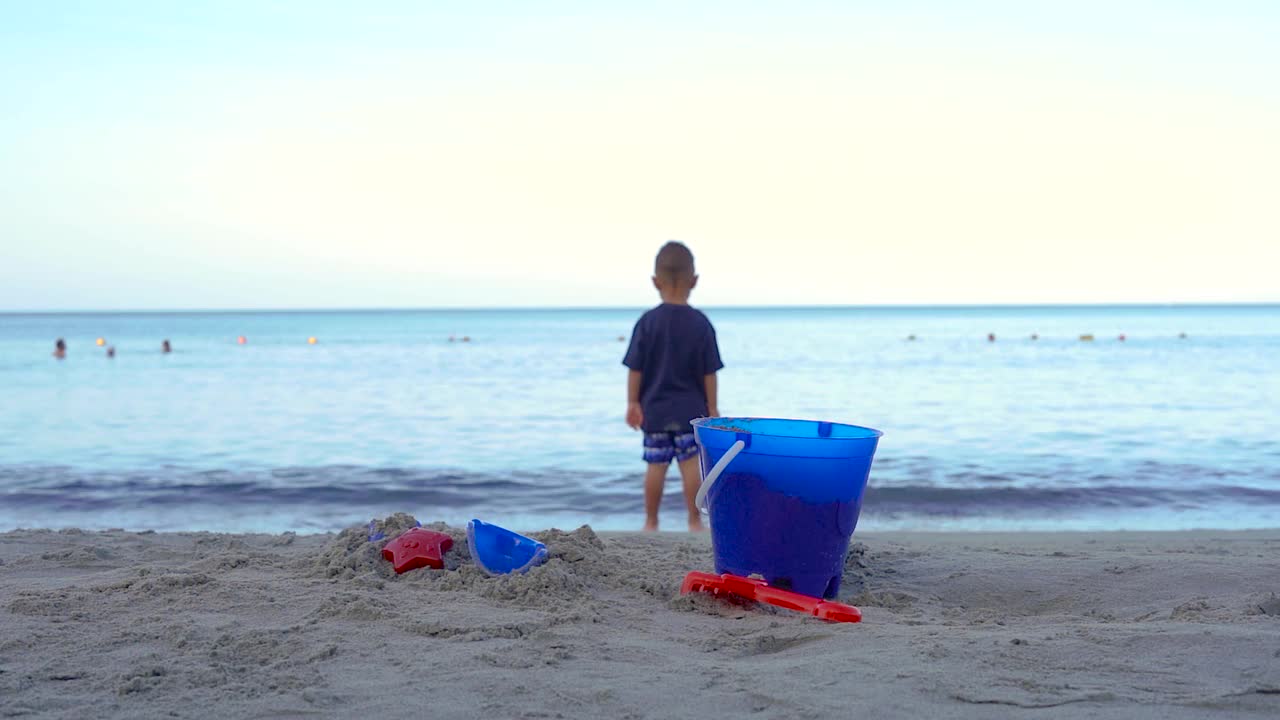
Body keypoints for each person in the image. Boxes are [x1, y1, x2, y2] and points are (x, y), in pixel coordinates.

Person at [623, 241, 723, 532]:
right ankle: (694, 521)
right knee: (691, 465)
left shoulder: (647, 322)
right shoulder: (701, 323)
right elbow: (710, 372)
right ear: (694, 281)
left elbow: (635, 368)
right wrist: (712, 408)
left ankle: (650, 521)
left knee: (655, 467)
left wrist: (632, 403)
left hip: (654, 410)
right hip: (691, 411)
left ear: (656, 281)